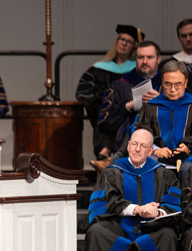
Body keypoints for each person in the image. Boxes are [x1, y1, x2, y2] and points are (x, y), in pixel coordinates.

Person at [85, 128, 181, 251]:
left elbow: (174, 203)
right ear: (128, 146)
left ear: (151, 150)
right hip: (117, 227)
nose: (137, 149)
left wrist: (156, 212)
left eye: (143, 146)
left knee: (168, 234)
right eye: (134, 144)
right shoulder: (112, 171)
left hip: (151, 228)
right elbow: (105, 202)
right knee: (97, 231)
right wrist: (138, 209)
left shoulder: (164, 174)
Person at [91, 41, 162, 171]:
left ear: (158, 59)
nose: (145, 61)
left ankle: (112, 160)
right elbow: (104, 124)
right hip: (126, 138)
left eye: (149, 57)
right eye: (140, 57)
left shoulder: (168, 83)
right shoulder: (120, 85)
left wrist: (161, 100)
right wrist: (128, 106)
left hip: (162, 137)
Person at [77, 24, 144, 160]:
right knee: (105, 118)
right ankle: (104, 152)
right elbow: (84, 93)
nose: (124, 44)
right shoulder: (98, 68)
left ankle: (109, 154)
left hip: (131, 110)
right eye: (121, 39)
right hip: (106, 109)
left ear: (134, 47)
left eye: (129, 41)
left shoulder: (137, 70)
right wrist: (104, 105)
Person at [138, 60, 192, 184]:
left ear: (186, 83)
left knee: (188, 169)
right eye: (168, 84)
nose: (173, 89)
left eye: (178, 84)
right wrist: (155, 150)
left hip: (188, 158)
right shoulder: (151, 106)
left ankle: (186, 203)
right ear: (162, 82)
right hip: (157, 156)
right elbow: (142, 133)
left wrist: (188, 147)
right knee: (147, 166)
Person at [160, 19, 192, 90]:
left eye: (191, 34)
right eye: (184, 36)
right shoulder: (168, 64)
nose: (188, 39)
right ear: (179, 38)